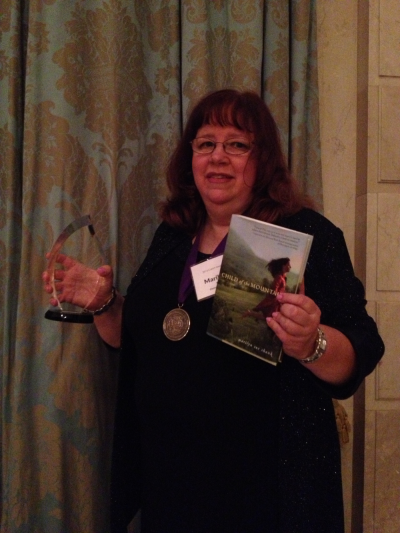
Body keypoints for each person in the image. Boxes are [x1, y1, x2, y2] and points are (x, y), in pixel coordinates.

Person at [43, 89, 385, 533]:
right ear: (191, 158)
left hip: (265, 493)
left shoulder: (304, 234)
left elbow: (363, 348)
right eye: (206, 144)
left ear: (262, 159)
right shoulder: (172, 235)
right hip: (172, 484)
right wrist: (105, 303)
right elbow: (139, 340)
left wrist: (310, 343)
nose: (218, 157)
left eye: (237, 145)